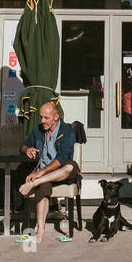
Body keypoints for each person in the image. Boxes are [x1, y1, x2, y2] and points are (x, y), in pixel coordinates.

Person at [17, 102, 78, 244]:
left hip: (62, 173)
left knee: (69, 167)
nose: (42, 121)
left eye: (46, 118)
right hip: (44, 176)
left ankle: (36, 182)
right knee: (43, 187)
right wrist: (28, 150)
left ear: (56, 117)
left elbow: (61, 160)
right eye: (41, 117)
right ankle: (40, 230)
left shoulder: (67, 131)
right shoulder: (38, 130)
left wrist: (39, 174)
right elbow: (23, 145)